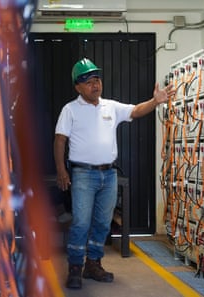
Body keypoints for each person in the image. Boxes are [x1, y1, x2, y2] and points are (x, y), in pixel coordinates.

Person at [54, 58, 174, 289]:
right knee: (80, 223)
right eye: (89, 81)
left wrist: (155, 101)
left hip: (108, 175)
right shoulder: (70, 110)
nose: (95, 84)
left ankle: (93, 264)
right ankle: (75, 268)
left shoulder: (111, 107)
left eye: (97, 79)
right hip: (83, 175)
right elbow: (60, 140)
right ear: (78, 86)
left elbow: (136, 111)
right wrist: (61, 170)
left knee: (102, 223)